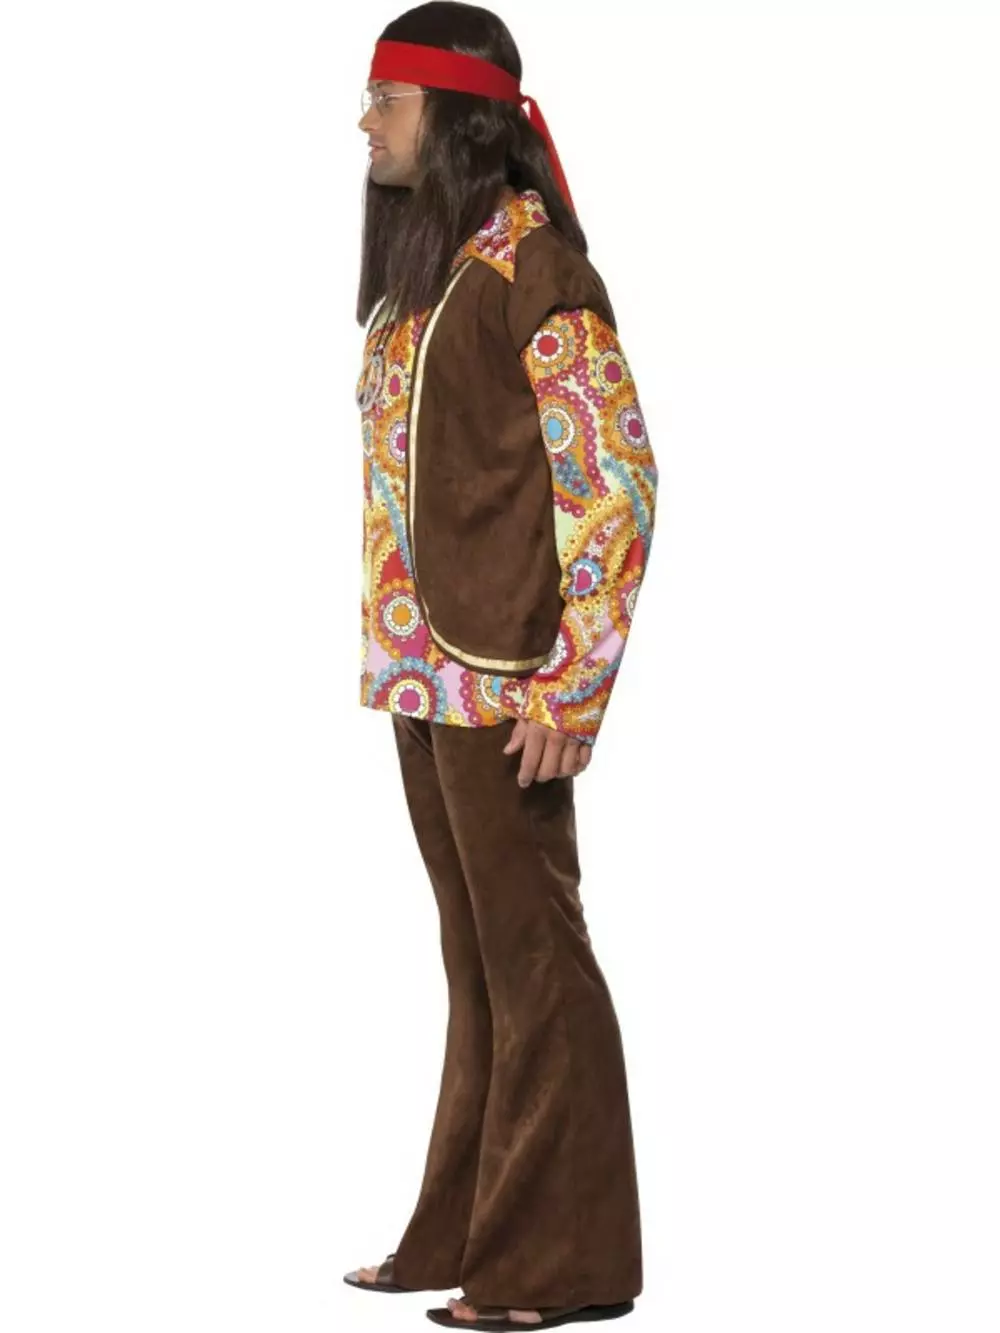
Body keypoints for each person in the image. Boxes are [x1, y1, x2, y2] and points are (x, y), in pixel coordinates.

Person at [344, 4, 658, 1328]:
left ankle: (556, 1265)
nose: (365, 123)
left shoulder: (536, 270)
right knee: (478, 964)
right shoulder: (430, 277)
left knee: (538, 968)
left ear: (456, 117)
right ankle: (464, 1232)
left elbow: (615, 483)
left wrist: (574, 685)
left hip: (508, 679)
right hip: (427, 677)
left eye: (388, 101)